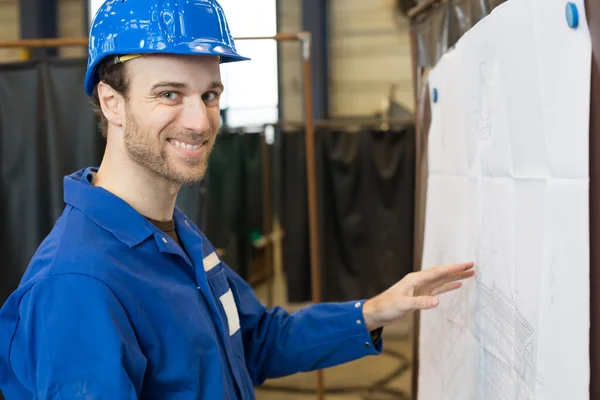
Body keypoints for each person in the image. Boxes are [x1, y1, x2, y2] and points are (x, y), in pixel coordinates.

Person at [0, 0, 475, 398]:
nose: (200, 121)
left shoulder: (176, 236)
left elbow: (255, 340)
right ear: (111, 103)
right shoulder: (79, 285)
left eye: (209, 95)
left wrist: (374, 310)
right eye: (169, 93)